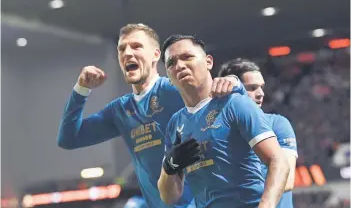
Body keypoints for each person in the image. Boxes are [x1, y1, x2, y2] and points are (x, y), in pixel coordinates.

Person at [57, 23, 246, 208]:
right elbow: (68, 138)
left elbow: (229, 101)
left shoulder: (175, 90)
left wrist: (234, 82)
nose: (127, 53)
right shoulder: (120, 110)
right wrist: (81, 89)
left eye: (136, 46)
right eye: (121, 49)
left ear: (156, 55)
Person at [157, 34, 290, 208]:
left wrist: (267, 205)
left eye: (187, 57)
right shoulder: (175, 124)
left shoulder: (235, 104)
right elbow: (169, 197)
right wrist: (169, 166)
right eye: (171, 63)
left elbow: (278, 161)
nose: (180, 65)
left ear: (208, 62)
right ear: (168, 76)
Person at [218, 58, 298, 208]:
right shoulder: (215, 130)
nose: (261, 93)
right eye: (252, 88)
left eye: (261, 87)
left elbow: (286, 180)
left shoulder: (277, 124)